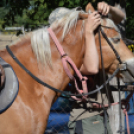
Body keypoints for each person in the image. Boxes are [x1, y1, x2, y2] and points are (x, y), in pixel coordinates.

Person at [48, 2, 125, 134]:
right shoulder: (65, 56)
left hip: (101, 115)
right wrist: (88, 32)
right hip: (86, 118)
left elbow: (120, 17)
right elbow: (91, 68)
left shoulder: (85, 42)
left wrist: (109, 9)